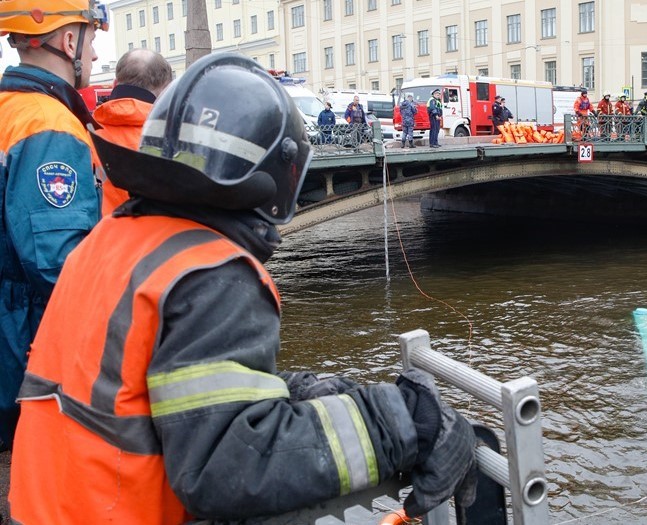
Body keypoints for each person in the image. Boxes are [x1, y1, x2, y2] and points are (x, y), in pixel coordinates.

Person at [9, 53, 477, 524]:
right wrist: (404, 422)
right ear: (277, 174)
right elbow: (228, 465)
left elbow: (163, 387)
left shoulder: (112, 241)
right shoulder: (211, 273)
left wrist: (306, 391)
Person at [0, 0, 108, 452]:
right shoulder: (49, 124)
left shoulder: (8, 109)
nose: (96, 57)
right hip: (22, 341)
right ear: (68, 41)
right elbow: (58, 264)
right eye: (91, 41)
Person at [94, 48, 173, 216]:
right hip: (153, 240)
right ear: (166, 90)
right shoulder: (171, 142)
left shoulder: (83, 133)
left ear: (115, 84)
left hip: (97, 238)